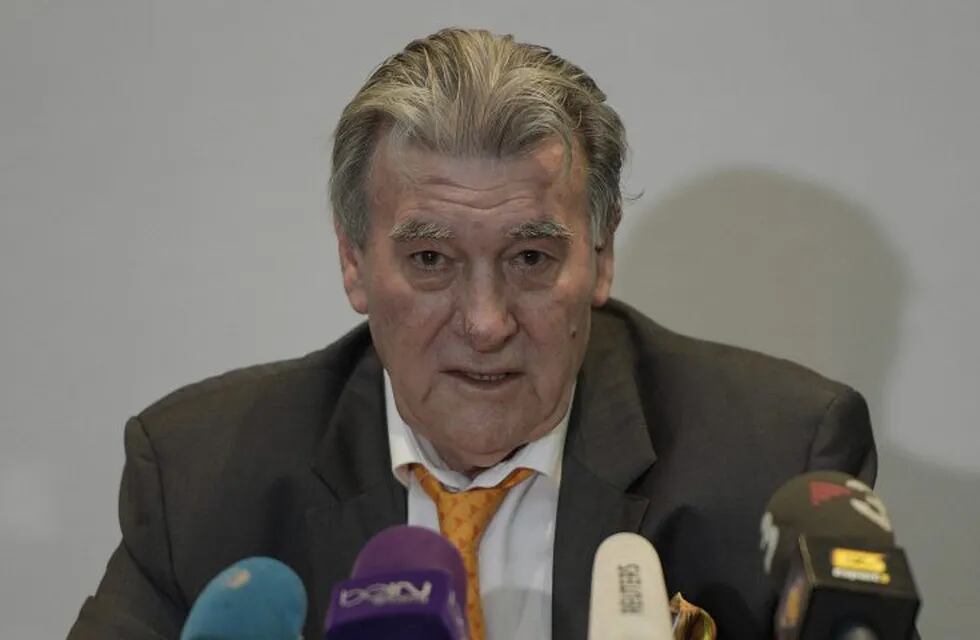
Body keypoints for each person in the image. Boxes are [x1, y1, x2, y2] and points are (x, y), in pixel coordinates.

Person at [68, 28, 875, 639]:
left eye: (530, 256)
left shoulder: (778, 465)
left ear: (599, 258)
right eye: (430, 258)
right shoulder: (201, 477)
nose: (486, 323)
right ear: (353, 262)